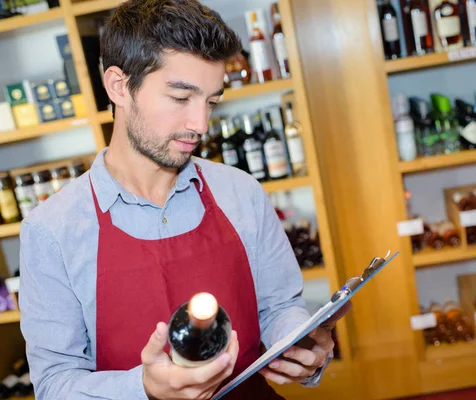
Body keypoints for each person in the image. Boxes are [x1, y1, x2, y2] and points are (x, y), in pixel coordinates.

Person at [18, 0, 350, 398]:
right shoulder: (51, 230)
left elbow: (279, 306)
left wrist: (300, 340)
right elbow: (55, 384)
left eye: (211, 102)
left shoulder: (241, 192)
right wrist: (144, 388)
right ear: (119, 86)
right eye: (180, 98)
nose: (200, 125)